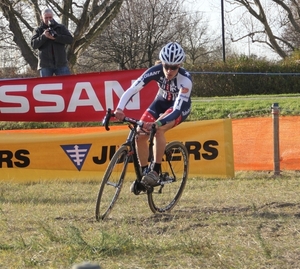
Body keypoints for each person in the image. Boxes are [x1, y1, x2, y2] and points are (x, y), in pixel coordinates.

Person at [114, 42, 192, 188]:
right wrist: (119, 108)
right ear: (162, 63)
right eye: (166, 66)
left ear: (179, 65)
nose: (169, 70)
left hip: (179, 108)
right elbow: (133, 89)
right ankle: (145, 174)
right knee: (139, 135)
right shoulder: (155, 71)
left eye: (174, 67)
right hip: (160, 102)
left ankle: (155, 171)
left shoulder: (186, 79)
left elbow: (176, 110)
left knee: (158, 130)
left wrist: (158, 123)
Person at [31, 8, 73, 77]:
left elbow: (70, 40)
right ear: (42, 17)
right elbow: (33, 45)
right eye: (46, 18)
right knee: (46, 87)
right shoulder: (38, 30)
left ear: (53, 17)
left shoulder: (60, 27)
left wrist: (56, 38)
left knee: (66, 85)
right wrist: (44, 36)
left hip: (61, 63)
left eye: (50, 17)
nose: (48, 20)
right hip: (45, 64)